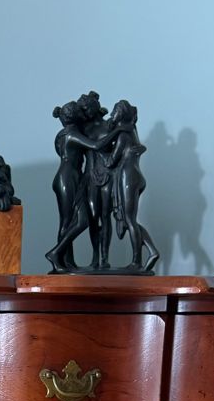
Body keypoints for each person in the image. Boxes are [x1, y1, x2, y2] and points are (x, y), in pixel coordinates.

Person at [45, 97, 119, 272]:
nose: (83, 113)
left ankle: (66, 262)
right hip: (69, 177)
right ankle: (57, 256)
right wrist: (119, 130)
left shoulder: (62, 135)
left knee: (71, 220)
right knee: (75, 221)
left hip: (70, 176)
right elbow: (97, 145)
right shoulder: (72, 134)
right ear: (74, 116)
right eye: (80, 111)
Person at [106, 100, 159, 271]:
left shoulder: (123, 136)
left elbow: (111, 161)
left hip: (128, 177)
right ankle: (152, 251)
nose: (111, 115)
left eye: (114, 111)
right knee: (132, 220)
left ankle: (137, 261)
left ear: (120, 114)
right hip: (134, 175)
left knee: (130, 220)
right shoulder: (131, 131)